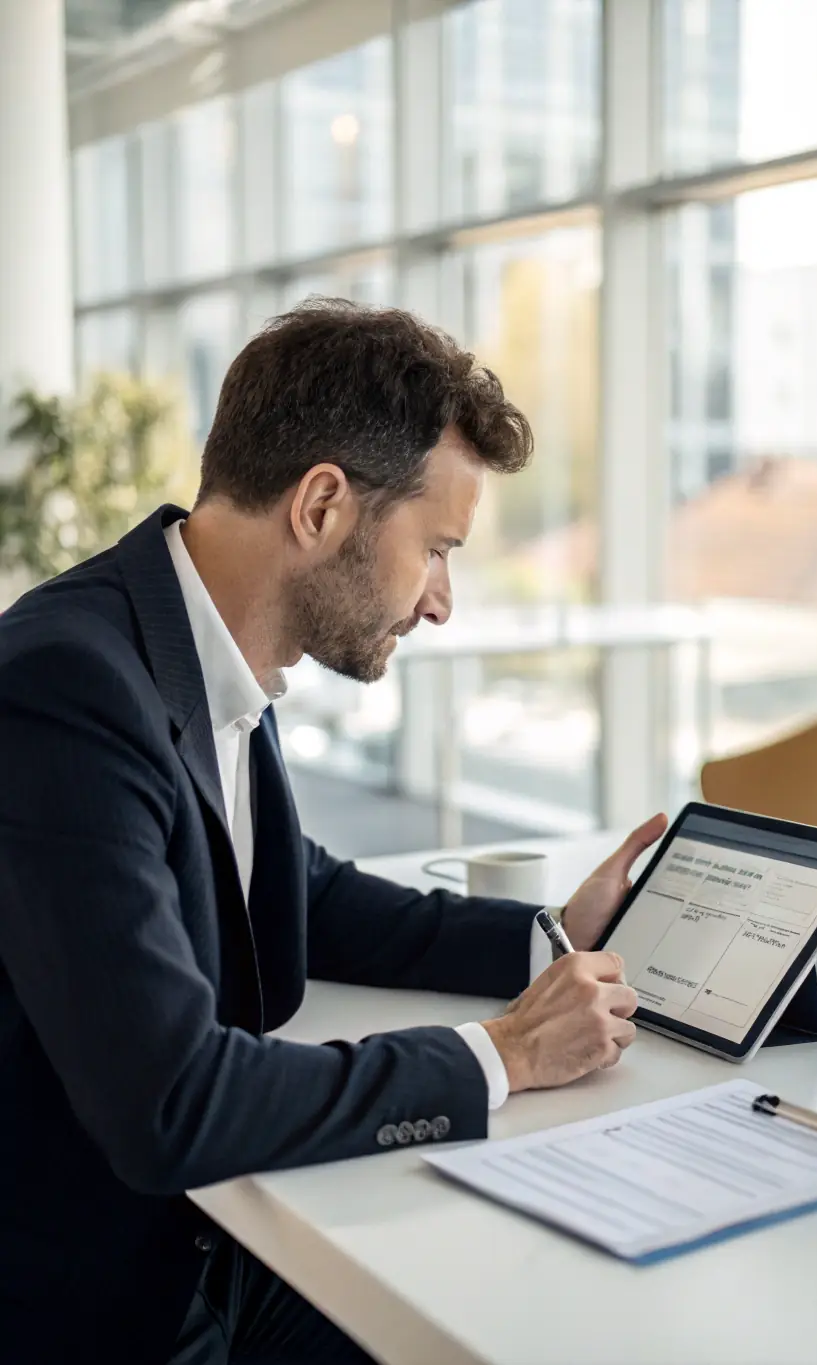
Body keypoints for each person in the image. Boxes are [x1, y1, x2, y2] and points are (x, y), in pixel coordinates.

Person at [0, 299, 667, 1365]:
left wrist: (548, 936)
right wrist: (502, 1053)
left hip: (206, 1249)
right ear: (320, 506)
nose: (441, 602)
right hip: (101, 1310)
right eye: (435, 549)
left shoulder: (198, 647)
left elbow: (293, 888)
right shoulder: (65, 685)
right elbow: (170, 1103)